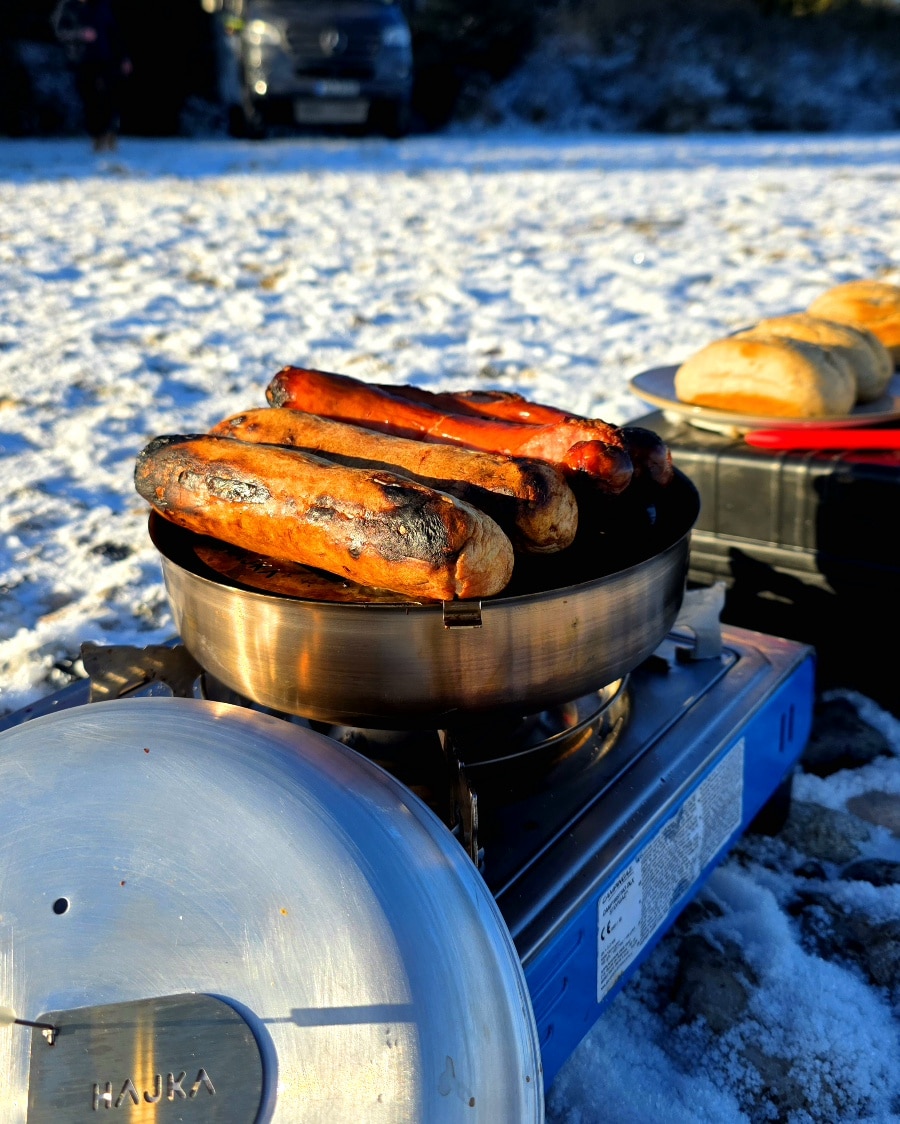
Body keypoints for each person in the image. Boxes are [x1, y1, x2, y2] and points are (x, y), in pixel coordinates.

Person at [52, 0, 132, 152]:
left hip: (106, 59)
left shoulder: (103, 6)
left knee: (109, 98)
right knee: (90, 100)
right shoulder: (68, 7)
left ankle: (110, 133)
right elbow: (59, 30)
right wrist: (80, 34)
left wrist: (124, 57)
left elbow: (114, 32)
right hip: (81, 60)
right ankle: (97, 136)